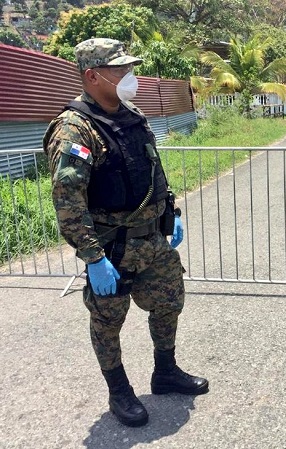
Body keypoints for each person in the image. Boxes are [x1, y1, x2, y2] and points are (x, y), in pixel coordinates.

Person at [43, 38, 208, 428]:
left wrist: (172, 211)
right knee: (107, 322)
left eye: (128, 68)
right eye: (119, 70)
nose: (128, 76)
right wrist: (92, 257)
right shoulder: (75, 129)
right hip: (112, 249)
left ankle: (165, 372)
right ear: (92, 75)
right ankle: (119, 391)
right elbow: (68, 201)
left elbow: (153, 169)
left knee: (169, 302)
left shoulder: (133, 114)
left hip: (152, 240)